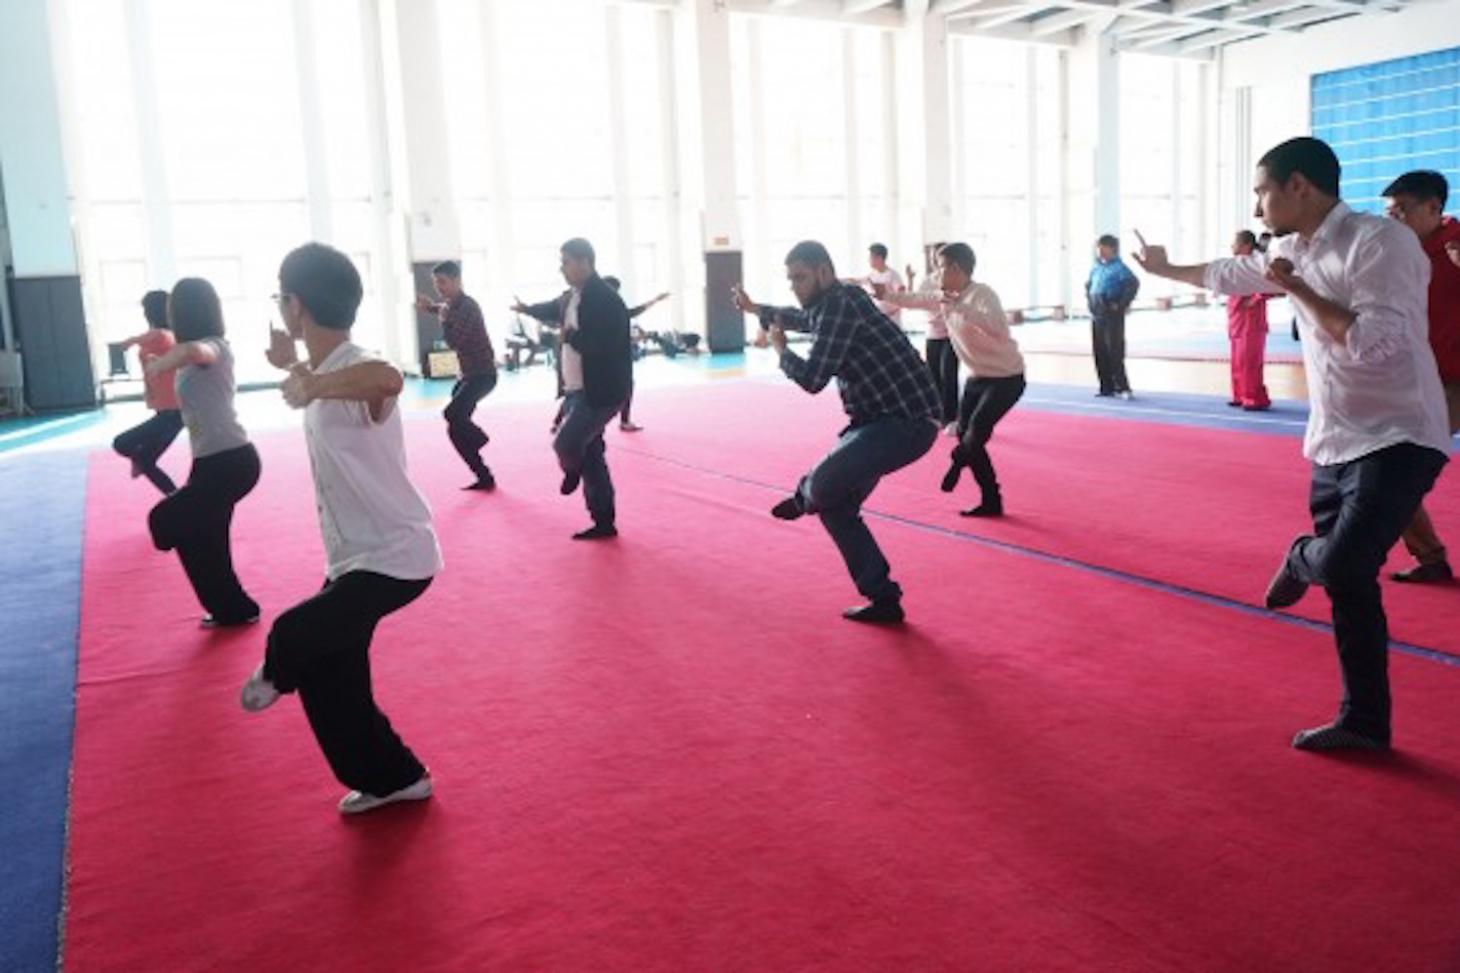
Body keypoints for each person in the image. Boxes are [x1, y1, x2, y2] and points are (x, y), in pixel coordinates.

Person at [1134, 136, 1451, 752]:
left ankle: (1301, 555)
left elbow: (1374, 343)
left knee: (1338, 562)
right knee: (1351, 584)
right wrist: (1167, 268)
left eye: (1262, 191)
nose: (1257, 208)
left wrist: (1297, 288)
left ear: (1298, 186)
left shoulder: (1380, 242)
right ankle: (1365, 722)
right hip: (1333, 438)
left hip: (1400, 433)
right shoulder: (1289, 249)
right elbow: (1228, 273)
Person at [241, 243, 443, 816]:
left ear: (295, 305)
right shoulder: (325, 369)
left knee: (294, 635)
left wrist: (309, 385)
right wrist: (295, 370)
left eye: (282, 296)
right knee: (333, 679)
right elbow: (326, 383)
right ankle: (393, 777)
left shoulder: (361, 363)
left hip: (397, 554)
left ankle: (277, 670)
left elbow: (385, 379)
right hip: (353, 556)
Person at [732, 240, 940, 624]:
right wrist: (756, 309)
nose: (794, 285)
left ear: (823, 273)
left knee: (824, 484)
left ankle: (802, 496)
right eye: (790, 278)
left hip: (905, 421)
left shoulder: (839, 306)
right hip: (878, 420)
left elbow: (812, 379)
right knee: (836, 507)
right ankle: (883, 598)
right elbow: (801, 317)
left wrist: (781, 352)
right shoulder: (836, 300)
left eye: (800, 277)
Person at [143, 278, 261, 628]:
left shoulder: (214, 347)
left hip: (233, 461)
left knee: (165, 521)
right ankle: (233, 609)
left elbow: (197, 352)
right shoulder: (186, 357)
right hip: (208, 462)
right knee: (204, 537)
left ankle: (233, 606)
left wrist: (162, 363)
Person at [886, 243, 1025, 517]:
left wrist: (960, 307)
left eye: (941, 267)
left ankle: (957, 463)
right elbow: (914, 299)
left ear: (956, 269)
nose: (937, 274)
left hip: (1006, 378)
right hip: (977, 376)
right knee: (966, 436)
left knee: (974, 435)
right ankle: (991, 500)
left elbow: (997, 327)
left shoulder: (982, 294)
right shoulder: (943, 295)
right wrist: (886, 294)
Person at [512, 238, 632, 540]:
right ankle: (603, 520)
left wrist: (571, 337)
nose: (561, 268)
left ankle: (571, 470)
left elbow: (607, 345)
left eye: (565, 262)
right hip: (576, 389)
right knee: (591, 454)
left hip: (601, 391)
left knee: (566, 444)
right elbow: (552, 308)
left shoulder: (606, 300)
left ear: (584, 263)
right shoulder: (571, 297)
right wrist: (527, 309)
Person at [1381, 171, 1460, 583]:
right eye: (1389, 212)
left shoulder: (1456, 246)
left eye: (1401, 211)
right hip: (1426, 381)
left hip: (1454, 380)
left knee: (1396, 471)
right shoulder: (1393, 252)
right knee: (1393, 471)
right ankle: (1430, 558)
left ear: (1433, 208)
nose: (1393, 220)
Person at [416, 261, 497, 491]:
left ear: (457, 281)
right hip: (468, 375)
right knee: (455, 427)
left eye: (442, 282)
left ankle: (481, 438)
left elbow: (454, 340)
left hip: (483, 374)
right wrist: (431, 308)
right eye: (436, 283)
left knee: (452, 414)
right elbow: (443, 310)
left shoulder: (468, 307)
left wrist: (441, 316)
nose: (438, 287)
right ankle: (484, 476)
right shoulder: (451, 306)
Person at [112, 290, 184, 495]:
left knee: (121, 444)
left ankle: (175, 499)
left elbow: (156, 336)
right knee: (146, 461)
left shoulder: (162, 336)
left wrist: (130, 340)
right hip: (167, 411)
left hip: (174, 412)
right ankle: (175, 499)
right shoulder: (161, 337)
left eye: (145, 309)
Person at [602, 275, 669, 432]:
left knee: (624, 386)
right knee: (622, 387)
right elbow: (632, 313)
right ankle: (623, 421)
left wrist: (655, 300)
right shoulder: (610, 307)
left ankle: (561, 421)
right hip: (614, 355)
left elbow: (632, 313)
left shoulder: (610, 306)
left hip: (617, 353)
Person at [907, 243, 959, 435]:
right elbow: (914, 299)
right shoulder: (928, 280)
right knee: (933, 376)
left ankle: (953, 418)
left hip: (951, 334)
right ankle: (938, 415)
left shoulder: (955, 280)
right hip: (932, 334)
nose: (934, 260)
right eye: (933, 257)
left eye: (939, 258)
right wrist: (911, 280)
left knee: (949, 375)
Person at [1086, 234, 1140, 399]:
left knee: (1114, 350)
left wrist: (1121, 305)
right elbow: (1088, 285)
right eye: (1098, 247)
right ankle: (1106, 386)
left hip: (1111, 314)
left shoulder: (1120, 268)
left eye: (1103, 247)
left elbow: (1133, 284)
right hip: (1097, 313)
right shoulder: (1096, 267)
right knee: (1099, 350)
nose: (1100, 251)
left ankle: (1123, 387)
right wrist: (1090, 301)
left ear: (1112, 249)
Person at [1223, 230, 1272, 411]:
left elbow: (1273, 286)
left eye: (1235, 243)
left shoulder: (1257, 264)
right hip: (1236, 320)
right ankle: (1239, 395)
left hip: (1251, 323)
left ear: (1246, 246)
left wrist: (1256, 298)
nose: (1232, 246)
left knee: (1249, 363)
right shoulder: (1236, 264)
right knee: (1237, 361)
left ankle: (1254, 398)